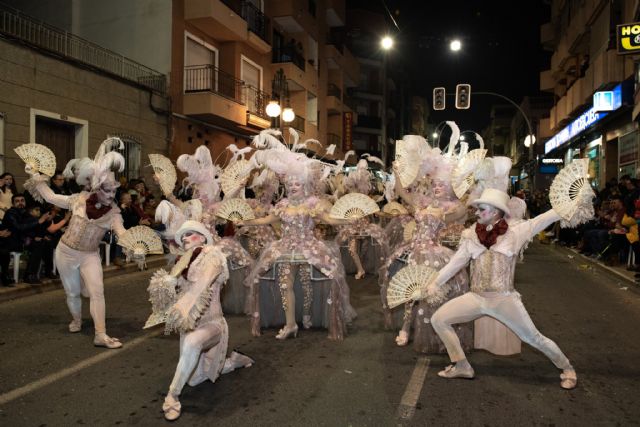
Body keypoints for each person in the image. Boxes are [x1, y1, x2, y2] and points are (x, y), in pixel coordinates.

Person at [424, 188, 579, 389]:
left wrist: (570, 202)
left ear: (496, 212)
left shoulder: (515, 232)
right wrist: (435, 283)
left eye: (482, 209)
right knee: (439, 319)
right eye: (477, 209)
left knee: (533, 337)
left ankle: (567, 368)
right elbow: (455, 263)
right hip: (476, 298)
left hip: (503, 299)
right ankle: (461, 365)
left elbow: (543, 219)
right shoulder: (471, 235)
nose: (477, 213)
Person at [22, 137, 129, 349]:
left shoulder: (114, 213)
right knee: (72, 292)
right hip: (66, 253)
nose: (111, 194)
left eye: (114, 190)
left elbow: (122, 232)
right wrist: (35, 175)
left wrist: (132, 245)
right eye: (107, 189)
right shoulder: (78, 200)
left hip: (90, 255)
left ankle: (100, 334)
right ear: (96, 187)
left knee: (97, 291)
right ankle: (77, 320)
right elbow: (51, 196)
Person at [154, 220, 253, 421]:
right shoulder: (183, 264)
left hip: (213, 324)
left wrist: (187, 301)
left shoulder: (213, 254)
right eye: (183, 237)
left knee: (192, 344)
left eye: (190, 234)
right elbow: (171, 296)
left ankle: (172, 396)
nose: (185, 239)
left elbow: (206, 279)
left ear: (202, 237)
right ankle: (233, 361)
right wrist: (165, 287)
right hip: (190, 324)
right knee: (195, 379)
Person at [3, 194, 54, 284]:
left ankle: (48, 271)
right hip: (12, 242)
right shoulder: (11, 213)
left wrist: (38, 235)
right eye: (17, 201)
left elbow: (32, 228)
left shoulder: (24, 213)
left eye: (22, 200)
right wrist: (38, 221)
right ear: (12, 203)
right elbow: (19, 228)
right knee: (37, 244)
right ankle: (29, 275)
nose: (20, 203)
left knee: (46, 242)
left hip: (24, 240)